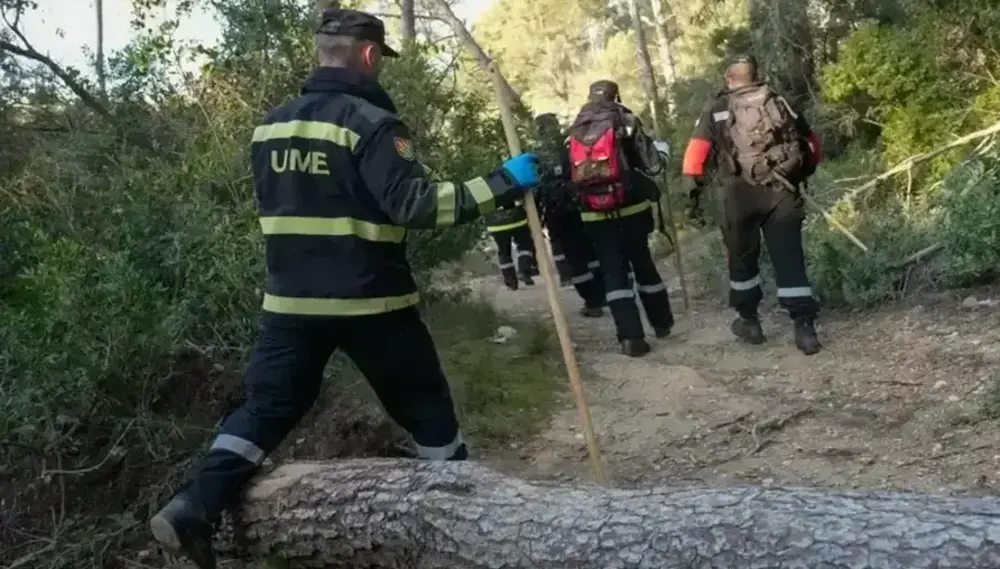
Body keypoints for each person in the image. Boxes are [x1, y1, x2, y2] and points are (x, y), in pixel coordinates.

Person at [148, 9, 541, 569]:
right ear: (369, 55)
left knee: (266, 408)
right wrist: (504, 182)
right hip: (371, 301)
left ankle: (195, 505)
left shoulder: (270, 126)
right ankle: (464, 521)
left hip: (288, 304)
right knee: (428, 413)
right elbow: (417, 205)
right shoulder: (372, 124)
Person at [680, 54, 823, 355]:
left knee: (742, 260)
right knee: (790, 259)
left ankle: (750, 322)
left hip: (738, 196)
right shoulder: (779, 101)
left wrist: (692, 198)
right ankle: (805, 329)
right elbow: (811, 145)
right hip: (781, 192)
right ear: (756, 75)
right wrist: (799, 175)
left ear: (729, 78)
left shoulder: (717, 108)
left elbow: (695, 157)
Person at [567, 81, 675, 356]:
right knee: (643, 265)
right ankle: (662, 324)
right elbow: (652, 165)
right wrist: (662, 151)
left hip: (594, 216)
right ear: (617, 96)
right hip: (632, 212)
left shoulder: (573, 130)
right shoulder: (626, 120)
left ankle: (630, 338)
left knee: (612, 272)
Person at [533, 112, 606, 316]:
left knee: (575, 259)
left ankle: (593, 302)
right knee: (592, 252)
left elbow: (535, 190)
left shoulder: (535, 156)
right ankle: (603, 294)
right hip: (582, 206)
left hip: (557, 213)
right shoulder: (573, 145)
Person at [484, 201, 537, 289]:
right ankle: (524, 271)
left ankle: (511, 282)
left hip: (495, 223)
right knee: (525, 245)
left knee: (504, 251)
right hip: (517, 219)